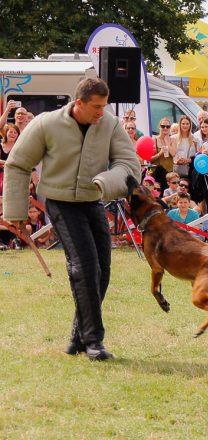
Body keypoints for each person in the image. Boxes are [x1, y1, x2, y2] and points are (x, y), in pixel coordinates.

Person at [3, 78, 141, 360]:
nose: (102, 112)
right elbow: (18, 164)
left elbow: (129, 165)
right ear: (79, 103)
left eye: (105, 106)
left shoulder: (110, 124)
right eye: (96, 106)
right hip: (60, 202)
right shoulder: (46, 123)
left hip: (92, 200)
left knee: (103, 268)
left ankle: (77, 339)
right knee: (85, 267)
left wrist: (106, 182)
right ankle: (94, 343)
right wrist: (16, 214)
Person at [170, 115, 197, 181]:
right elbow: (171, 155)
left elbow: (196, 154)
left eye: (187, 124)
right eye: (183, 124)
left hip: (190, 169)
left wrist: (189, 160)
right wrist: (177, 161)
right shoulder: (173, 138)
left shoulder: (194, 138)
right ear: (180, 125)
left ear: (190, 125)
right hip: (177, 170)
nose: (185, 126)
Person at [151, 117, 174, 192]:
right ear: (159, 127)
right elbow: (149, 159)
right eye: (163, 126)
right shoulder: (154, 140)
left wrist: (167, 142)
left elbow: (174, 154)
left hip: (169, 174)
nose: (165, 128)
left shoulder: (172, 139)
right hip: (157, 173)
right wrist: (160, 153)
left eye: (167, 126)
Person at [0, 124, 20, 196]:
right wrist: (9, 163)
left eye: (15, 132)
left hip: (13, 175)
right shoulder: (0, 145)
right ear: (6, 133)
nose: (13, 134)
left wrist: (5, 164)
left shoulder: (18, 147)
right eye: (11, 132)